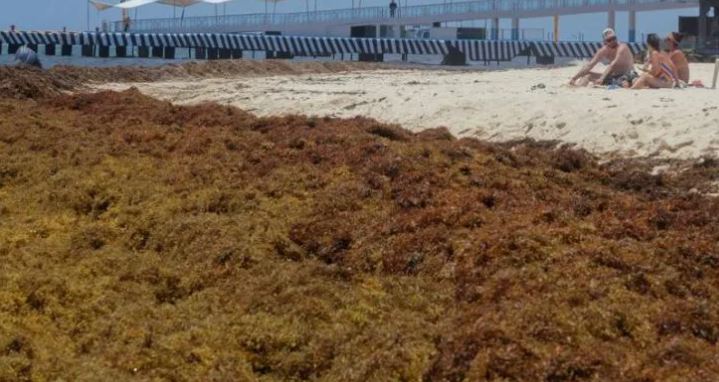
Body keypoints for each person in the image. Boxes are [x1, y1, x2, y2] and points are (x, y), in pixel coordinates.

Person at [569, 28, 636, 87]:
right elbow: (590, 65)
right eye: (609, 40)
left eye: (614, 38)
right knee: (588, 75)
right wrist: (574, 78)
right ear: (605, 42)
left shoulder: (622, 47)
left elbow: (613, 64)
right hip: (614, 76)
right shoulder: (604, 50)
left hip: (628, 74)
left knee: (625, 83)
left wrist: (601, 78)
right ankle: (578, 89)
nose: (612, 41)